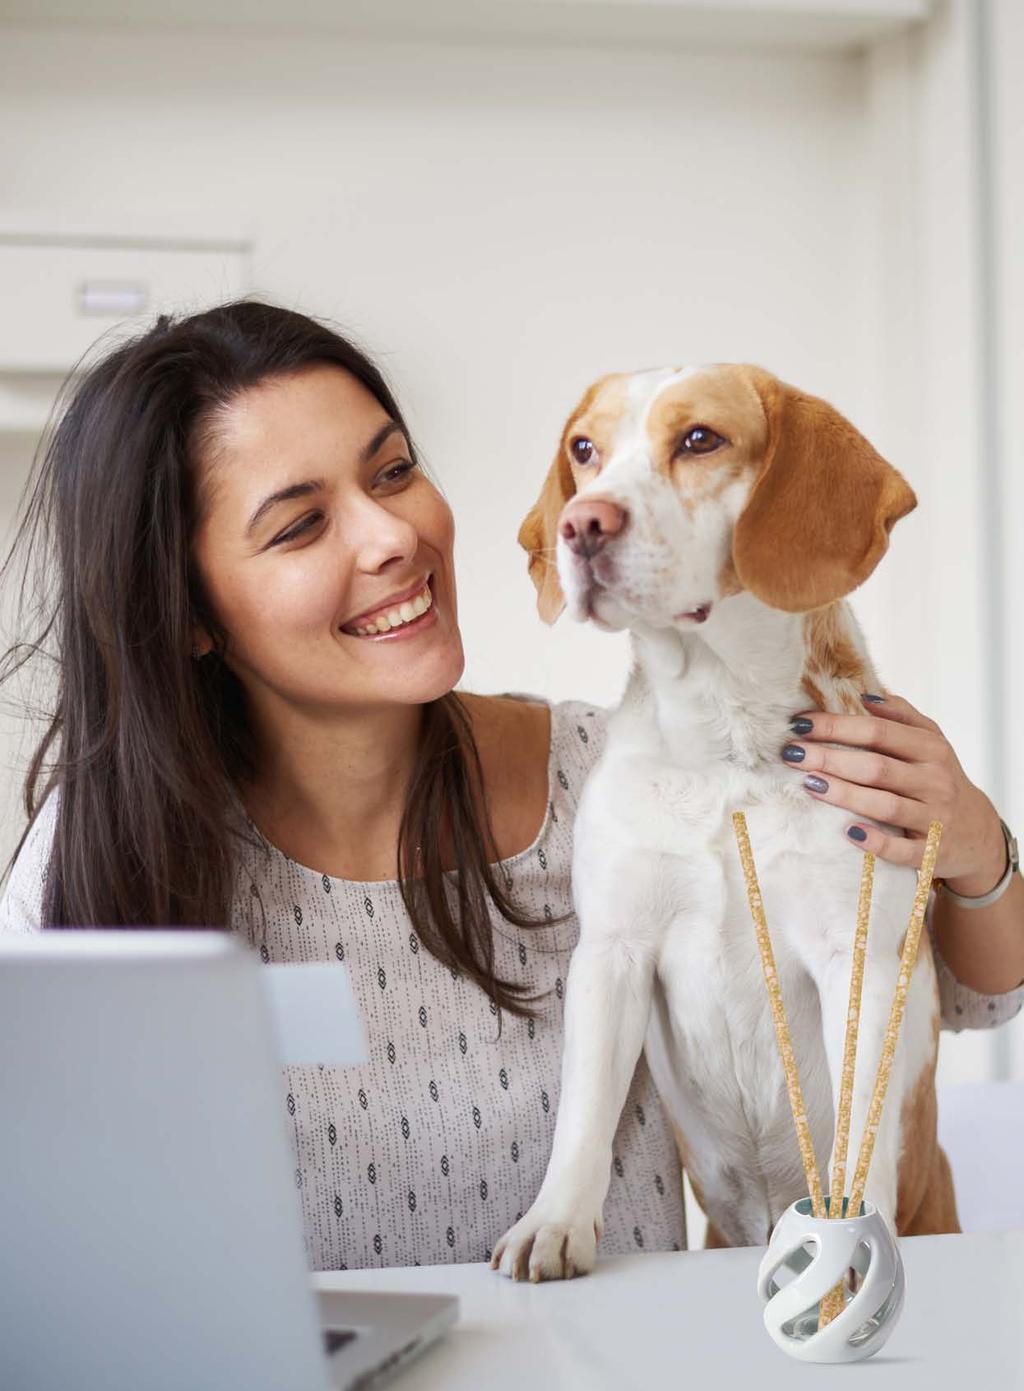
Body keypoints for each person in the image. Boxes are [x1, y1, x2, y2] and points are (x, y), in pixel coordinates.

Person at [0, 301, 1020, 1271]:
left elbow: (967, 1001)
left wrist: (974, 849)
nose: (391, 536)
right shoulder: (105, 854)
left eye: (392, 472)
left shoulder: (608, 777)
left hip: (637, 1385)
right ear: (189, 615)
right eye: (300, 526)